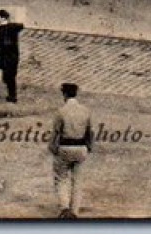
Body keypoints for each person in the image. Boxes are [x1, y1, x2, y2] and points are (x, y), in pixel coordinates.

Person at [49, 82, 94, 219]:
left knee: (61, 178)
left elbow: (56, 132)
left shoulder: (61, 111)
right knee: (78, 180)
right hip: (81, 148)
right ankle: (75, 210)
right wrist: (89, 147)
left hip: (65, 147)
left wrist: (52, 147)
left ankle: (64, 208)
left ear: (65, 94)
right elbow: (90, 132)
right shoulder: (85, 111)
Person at [0, 8, 25, 102]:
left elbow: (6, 44)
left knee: (6, 77)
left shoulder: (5, 30)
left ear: (3, 18)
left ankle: (9, 96)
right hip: (8, 57)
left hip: (5, 58)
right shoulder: (10, 28)